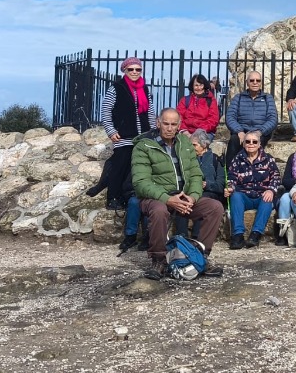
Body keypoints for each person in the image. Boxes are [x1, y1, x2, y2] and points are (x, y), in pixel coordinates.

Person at [131, 109, 224, 279]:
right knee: (159, 211)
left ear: (179, 126)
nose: (169, 128)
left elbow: (196, 174)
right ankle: (159, 260)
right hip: (156, 197)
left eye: (173, 124)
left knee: (215, 207)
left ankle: (199, 256)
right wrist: (168, 199)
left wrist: (193, 196)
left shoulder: (184, 143)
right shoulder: (143, 146)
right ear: (158, 123)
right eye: (166, 123)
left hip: (183, 196)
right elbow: (140, 183)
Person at [93, 57, 157, 211]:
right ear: (124, 70)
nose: (135, 72)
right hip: (123, 136)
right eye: (131, 69)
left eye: (138, 69)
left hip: (143, 135)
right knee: (120, 165)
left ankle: (126, 197)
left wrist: (154, 131)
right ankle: (113, 198)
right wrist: (111, 130)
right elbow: (106, 110)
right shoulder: (116, 88)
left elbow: (150, 111)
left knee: (134, 168)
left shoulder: (144, 89)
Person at [226, 131, 281, 249]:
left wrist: (271, 190)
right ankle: (238, 235)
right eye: (248, 141)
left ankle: (255, 234)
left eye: (254, 141)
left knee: (268, 199)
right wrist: (230, 188)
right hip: (244, 195)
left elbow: (276, 177)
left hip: (261, 195)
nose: (251, 144)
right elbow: (231, 177)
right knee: (235, 196)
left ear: (259, 144)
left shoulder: (268, 159)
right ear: (244, 143)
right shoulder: (237, 159)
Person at [225, 71, 277, 165]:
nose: (255, 82)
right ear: (247, 82)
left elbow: (272, 119)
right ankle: (229, 172)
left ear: (261, 82)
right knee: (234, 141)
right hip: (242, 131)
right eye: (252, 80)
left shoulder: (267, 98)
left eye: (258, 80)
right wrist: (239, 131)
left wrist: (259, 132)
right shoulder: (238, 98)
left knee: (254, 144)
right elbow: (230, 117)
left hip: (261, 132)